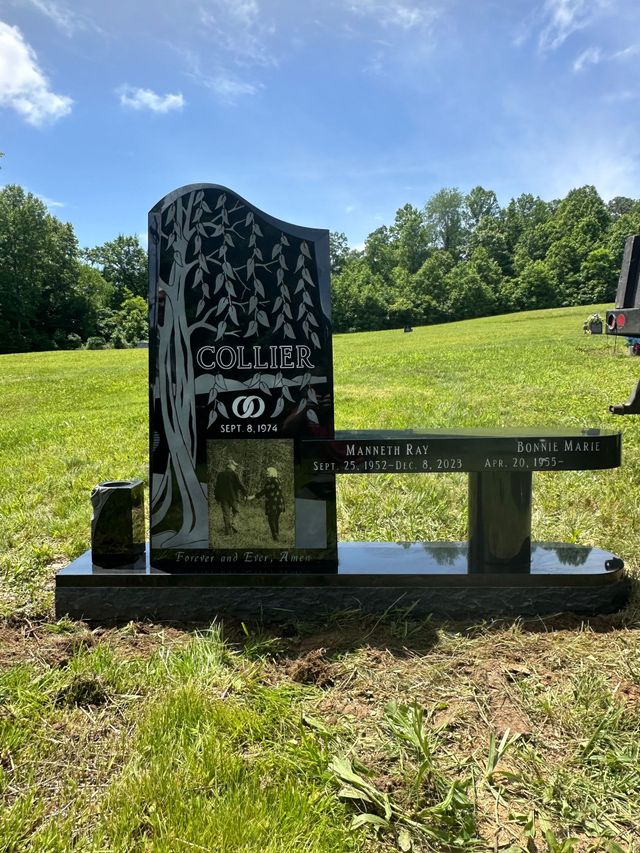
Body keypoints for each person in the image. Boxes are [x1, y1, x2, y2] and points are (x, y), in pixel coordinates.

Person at [249, 467, 286, 541]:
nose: (266, 473)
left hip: (273, 504)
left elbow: (264, 490)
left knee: (271, 520)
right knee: (275, 520)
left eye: (268, 472)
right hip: (279, 503)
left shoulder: (271, 481)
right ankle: (276, 536)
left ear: (272, 473)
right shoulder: (277, 480)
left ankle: (275, 537)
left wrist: (253, 496)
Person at [213, 459, 247, 535]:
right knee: (236, 511)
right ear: (229, 465)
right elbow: (240, 484)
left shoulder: (220, 474)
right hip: (233, 497)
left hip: (223, 498)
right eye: (234, 465)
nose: (235, 467)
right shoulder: (234, 474)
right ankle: (234, 523)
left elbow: (217, 487)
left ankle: (228, 532)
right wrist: (245, 493)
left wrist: (217, 497)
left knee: (226, 514)